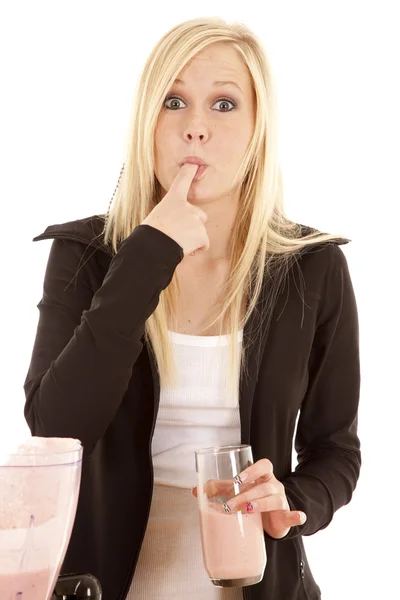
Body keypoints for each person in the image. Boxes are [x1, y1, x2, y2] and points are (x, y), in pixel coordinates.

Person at [24, 16, 361, 600]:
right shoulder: (86, 256)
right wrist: (148, 255)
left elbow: (337, 451)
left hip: (258, 578)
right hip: (107, 581)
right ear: (147, 123)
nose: (195, 128)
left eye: (224, 105)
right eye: (174, 101)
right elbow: (56, 429)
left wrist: (293, 501)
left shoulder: (312, 267)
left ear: (258, 128)